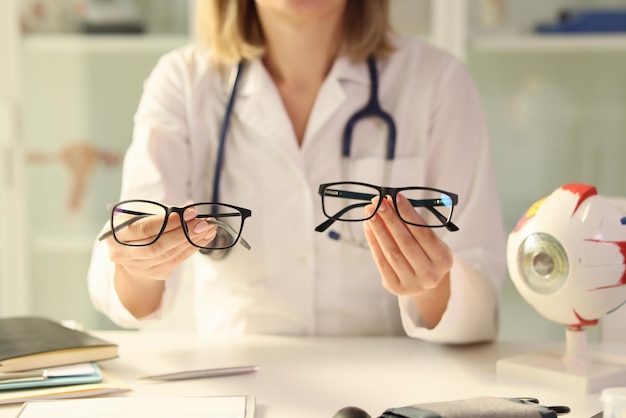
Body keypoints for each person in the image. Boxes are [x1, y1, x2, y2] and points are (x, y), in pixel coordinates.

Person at [87, 0, 506, 343]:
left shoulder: (436, 81)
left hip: (385, 390)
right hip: (240, 382)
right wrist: (141, 263)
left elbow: (479, 310)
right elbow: (131, 300)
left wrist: (430, 282)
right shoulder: (183, 82)